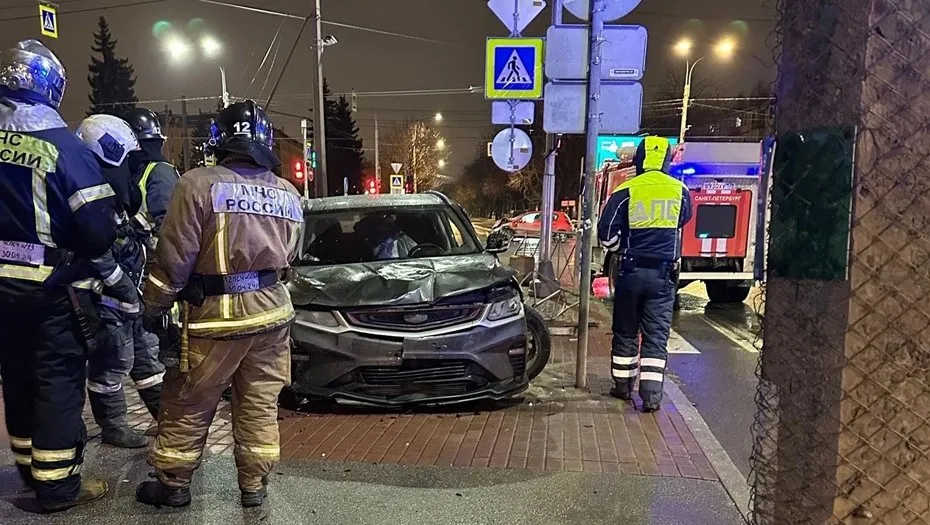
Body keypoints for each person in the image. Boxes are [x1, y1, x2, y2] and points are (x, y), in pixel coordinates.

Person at [136, 100, 302, 508]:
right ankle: (254, 486)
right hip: (273, 316)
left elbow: (174, 258)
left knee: (189, 400)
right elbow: (291, 255)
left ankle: (174, 484)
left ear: (219, 140)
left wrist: (153, 306)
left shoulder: (196, 184)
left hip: (215, 320)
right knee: (260, 402)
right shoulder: (288, 192)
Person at [0, 39, 116, 511]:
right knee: (57, 378)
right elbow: (96, 231)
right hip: (49, 285)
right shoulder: (64, 148)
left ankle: (29, 468)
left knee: (17, 374)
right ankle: (57, 486)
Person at [75, 114, 165, 449]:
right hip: (107, 299)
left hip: (129, 297)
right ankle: (113, 425)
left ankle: (165, 418)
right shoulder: (93, 197)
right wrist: (123, 287)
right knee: (112, 363)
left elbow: (122, 233)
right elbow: (98, 251)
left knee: (145, 358)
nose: (131, 166)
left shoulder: (111, 195)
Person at [597, 136, 692, 413]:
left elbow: (606, 234)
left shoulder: (625, 191)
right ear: (666, 159)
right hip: (664, 274)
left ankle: (623, 387)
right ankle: (651, 398)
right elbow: (683, 219)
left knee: (626, 330)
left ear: (639, 159)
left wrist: (621, 248)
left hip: (631, 270)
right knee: (656, 336)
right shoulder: (680, 190)